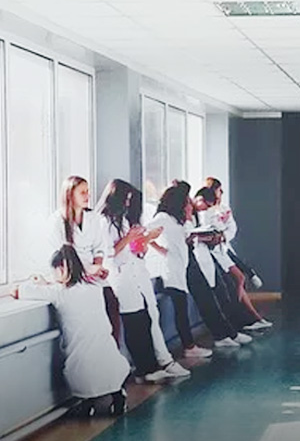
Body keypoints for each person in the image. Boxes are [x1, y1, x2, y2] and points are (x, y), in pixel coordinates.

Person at [9, 246, 130, 416]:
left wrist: (36, 282)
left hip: (81, 368)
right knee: (109, 365)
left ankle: (87, 403)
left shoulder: (58, 293)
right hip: (112, 362)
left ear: (61, 269)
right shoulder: (94, 287)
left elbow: (15, 291)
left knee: (83, 374)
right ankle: (118, 396)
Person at [97, 180, 205, 368]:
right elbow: (110, 252)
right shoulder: (104, 222)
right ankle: (149, 366)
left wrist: (144, 244)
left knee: (147, 319)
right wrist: (142, 239)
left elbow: (134, 247)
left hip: (137, 271)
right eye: (126, 199)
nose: (128, 203)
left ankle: (157, 363)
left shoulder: (123, 221)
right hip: (123, 276)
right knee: (135, 322)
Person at [147, 184, 251, 350]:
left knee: (208, 296)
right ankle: (206, 340)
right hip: (178, 265)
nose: (189, 204)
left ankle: (226, 334)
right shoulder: (163, 217)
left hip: (189, 259)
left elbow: (186, 236)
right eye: (186, 201)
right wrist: (163, 251)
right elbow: (146, 234)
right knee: (194, 302)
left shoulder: (177, 218)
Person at [46, 176, 118, 345]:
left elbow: (99, 247)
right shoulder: (56, 221)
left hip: (93, 274)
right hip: (71, 276)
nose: (88, 196)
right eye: (83, 192)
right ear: (70, 195)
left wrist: (97, 267)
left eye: (88, 191)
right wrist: (88, 270)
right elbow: (61, 257)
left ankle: (112, 352)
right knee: (88, 315)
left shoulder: (93, 218)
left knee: (111, 303)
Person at [193, 186, 271, 331]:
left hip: (221, 249)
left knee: (239, 280)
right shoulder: (198, 214)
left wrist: (221, 235)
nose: (207, 208)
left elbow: (228, 229)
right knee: (233, 283)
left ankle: (252, 318)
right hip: (212, 254)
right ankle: (247, 319)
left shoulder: (214, 210)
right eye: (218, 190)